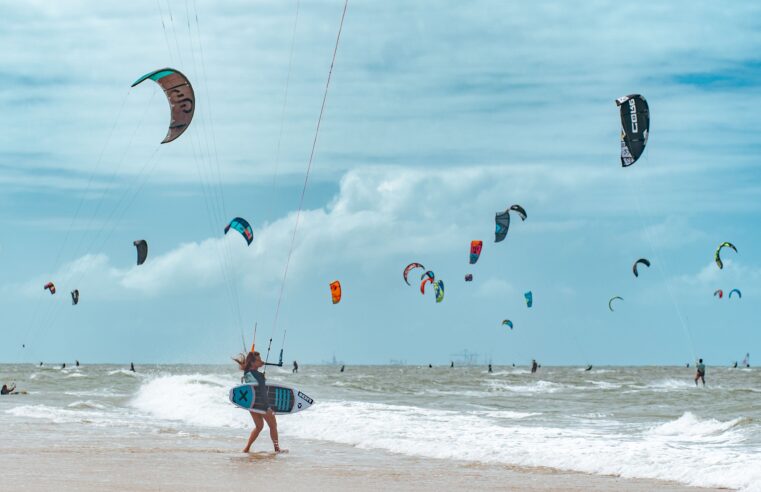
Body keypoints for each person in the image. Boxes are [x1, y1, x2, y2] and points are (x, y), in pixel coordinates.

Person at [233, 351, 280, 453]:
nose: (261, 361)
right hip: (261, 404)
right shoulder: (259, 376)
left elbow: (252, 385)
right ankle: (277, 449)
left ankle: (246, 448)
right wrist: (268, 407)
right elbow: (263, 391)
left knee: (259, 426)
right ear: (252, 363)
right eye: (259, 360)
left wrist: (257, 365)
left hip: (252, 404)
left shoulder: (247, 373)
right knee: (273, 425)